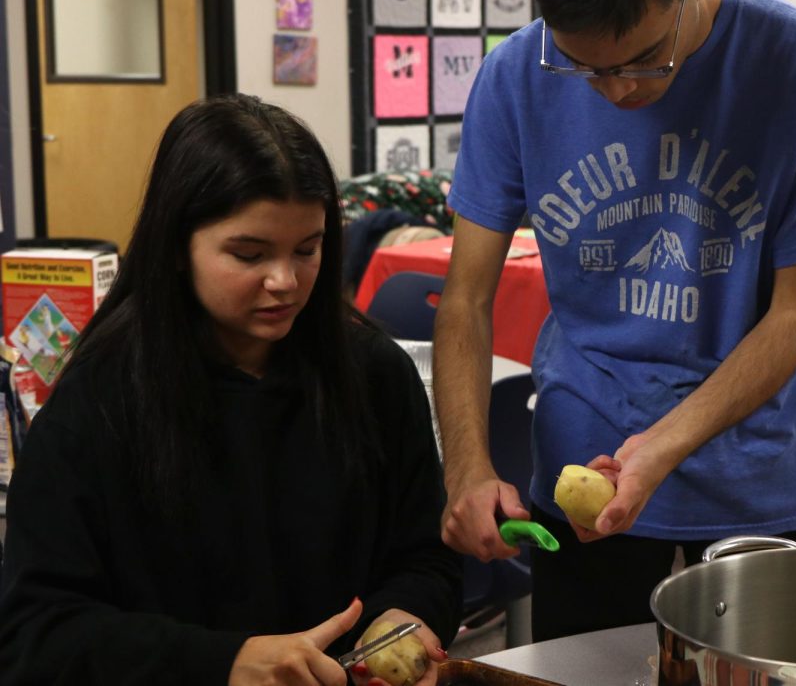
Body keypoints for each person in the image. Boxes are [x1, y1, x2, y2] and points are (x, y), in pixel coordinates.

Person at [434, 0, 796, 640]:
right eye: (584, 68)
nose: (619, 92)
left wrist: (662, 446)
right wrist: (466, 467)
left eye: (645, 59)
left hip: (758, 457)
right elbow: (466, 297)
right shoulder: (514, 77)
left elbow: (794, 315)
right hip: (583, 448)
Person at [0, 94, 461, 685]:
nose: (285, 281)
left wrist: (405, 620)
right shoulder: (99, 403)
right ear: (176, 247)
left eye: (308, 249)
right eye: (248, 254)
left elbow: (427, 558)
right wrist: (225, 663)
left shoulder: (374, 376)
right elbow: (36, 634)